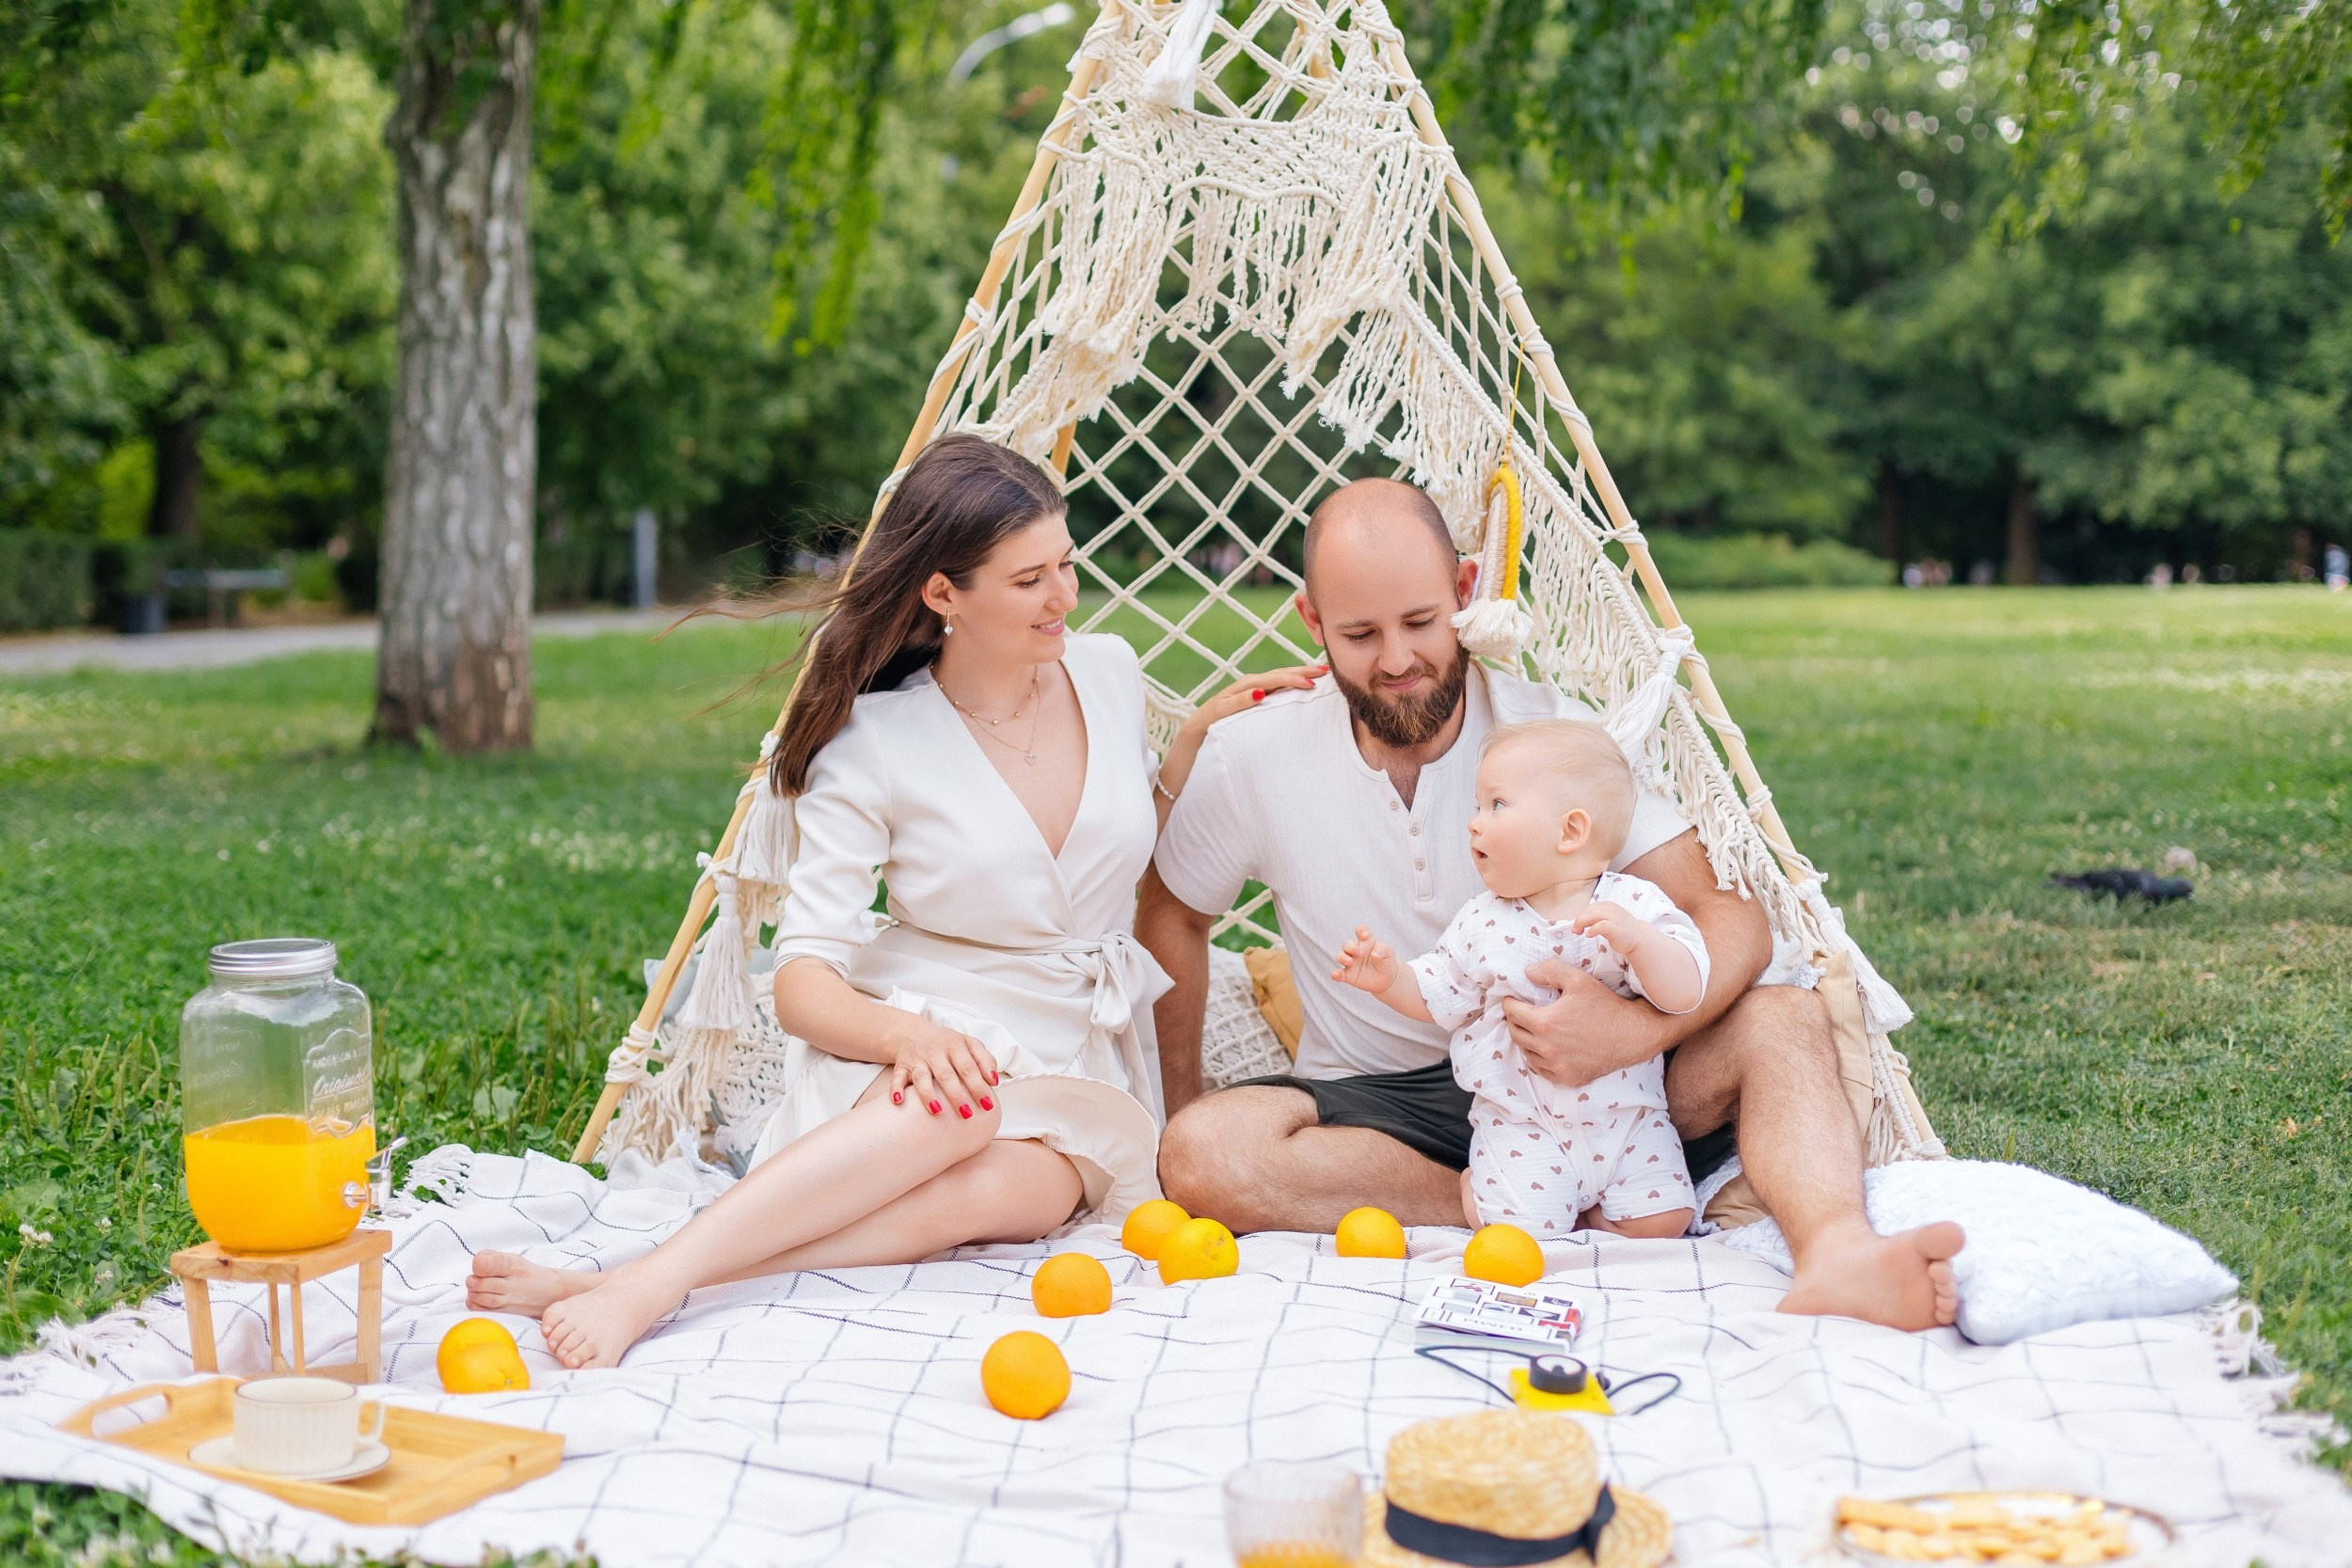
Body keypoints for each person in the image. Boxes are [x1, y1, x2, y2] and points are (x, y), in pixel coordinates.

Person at [467, 436, 1315, 1368]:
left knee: (1028, 1192)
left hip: (1076, 1037)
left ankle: (650, 1270)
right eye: (1030, 578)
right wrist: (907, 1037)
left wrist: (1192, 737)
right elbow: (802, 983)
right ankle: (654, 1279)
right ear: (943, 593)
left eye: (1066, 563)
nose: (1065, 595)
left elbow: (1105, 856)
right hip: (929, 1024)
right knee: (959, 1103)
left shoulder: (1106, 671)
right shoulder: (872, 741)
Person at [1139, 477, 1963, 1331]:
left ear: (1465, 593)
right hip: (1384, 1111)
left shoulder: (1552, 733)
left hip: (1603, 1086)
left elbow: (1734, 919)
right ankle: (1503, 1200)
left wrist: (1632, 1032)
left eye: (1421, 623)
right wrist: (1176, 1101)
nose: (1395, 660)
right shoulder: (1256, 755)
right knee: (1201, 1151)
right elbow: (1174, 912)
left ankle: (1837, 1253)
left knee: (1785, 1018)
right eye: (1359, 633)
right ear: (1312, 622)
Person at [1334, 719, 1707, 1240]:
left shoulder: (1632, 906)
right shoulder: (1483, 921)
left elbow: (1686, 991)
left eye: (1497, 805)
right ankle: (1480, 1188)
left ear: (1571, 831)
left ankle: (1595, 1214)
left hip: (1625, 1119)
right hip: (1522, 1123)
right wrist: (1389, 977)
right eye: (1477, 806)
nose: (1474, 823)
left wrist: (1641, 943)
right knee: (1518, 1230)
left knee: (1665, 1220)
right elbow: (1438, 992)